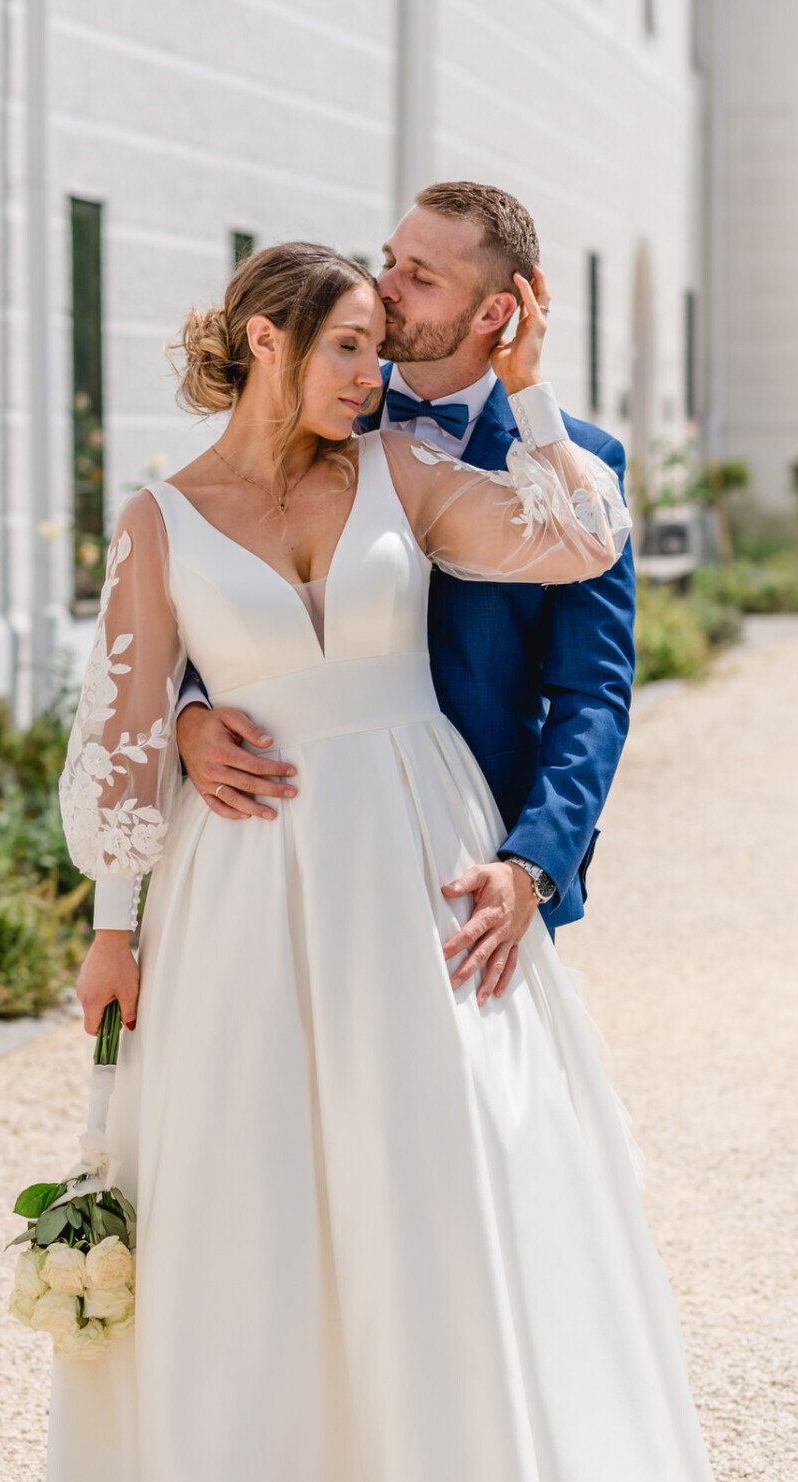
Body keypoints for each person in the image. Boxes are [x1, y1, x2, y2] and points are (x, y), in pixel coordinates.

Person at [0, 238, 736, 1482]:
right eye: (347, 346)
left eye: (376, 346)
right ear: (267, 346)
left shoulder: (401, 471)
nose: (372, 370)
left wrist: (526, 397)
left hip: (414, 853)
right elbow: (124, 733)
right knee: (253, 1186)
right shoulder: (159, 520)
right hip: (245, 883)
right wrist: (111, 923)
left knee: (443, 1165)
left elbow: (584, 541)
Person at [176, 183, 635, 1001]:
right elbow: (207, 571)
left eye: (420, 275)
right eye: (389, 258)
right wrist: (190, 715)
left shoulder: (577, 464)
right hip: (295, 832)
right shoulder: (312, 411)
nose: (383, 285)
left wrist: (532, 865)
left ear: (497, 312)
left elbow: (592, 692)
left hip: (474, 858)